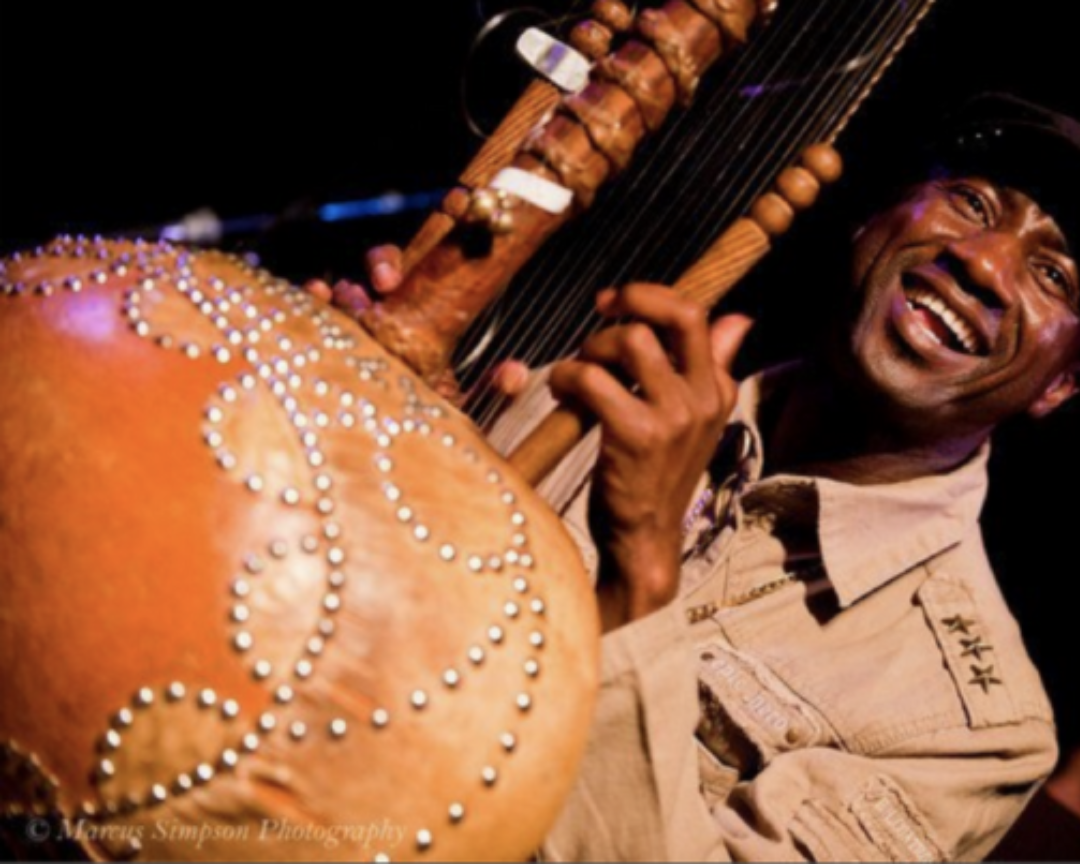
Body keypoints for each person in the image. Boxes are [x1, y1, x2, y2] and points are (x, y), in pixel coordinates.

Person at [310, 92, 1080, 860]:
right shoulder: (577, 395)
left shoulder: (981, 736)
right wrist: (346, 421)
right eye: (972, 203)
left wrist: (642, 567)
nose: (984, 261)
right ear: (872, 219)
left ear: (1061, 384)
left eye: (1053, 275)